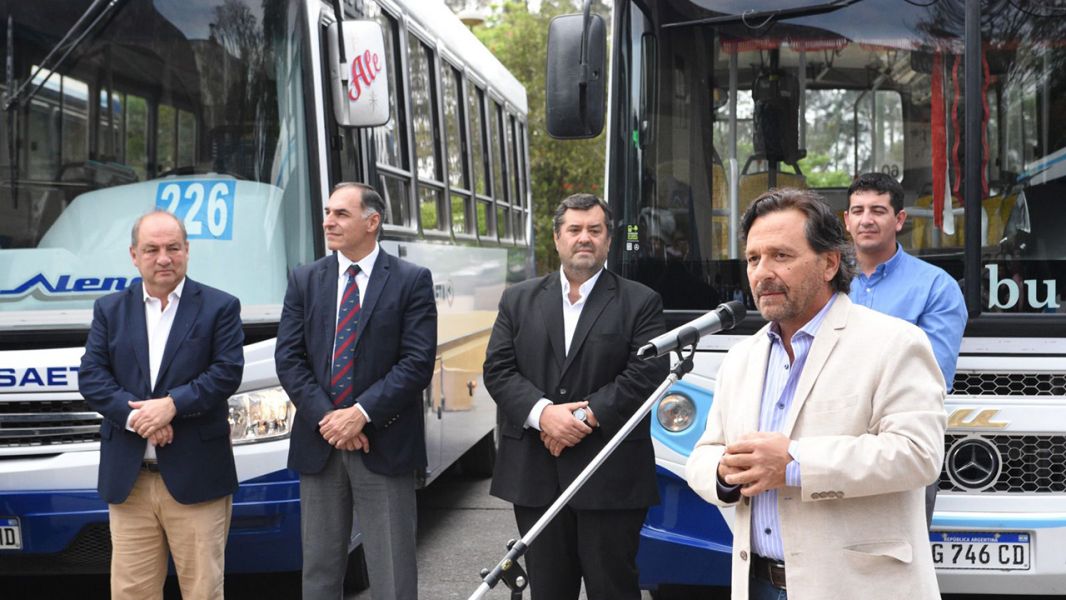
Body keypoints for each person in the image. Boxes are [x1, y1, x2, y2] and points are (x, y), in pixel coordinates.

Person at [685, 188, 945, 600]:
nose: (762, 272)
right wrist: (722, 473)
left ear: (828, 263)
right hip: (756, 584)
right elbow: (703, 453)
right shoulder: (742, 357)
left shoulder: (894, 342)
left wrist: (794, 463)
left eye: (781, 256)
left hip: (856, 587)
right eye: (754, 259)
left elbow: (918, 454)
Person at [483, 193, 668, 600]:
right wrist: (543, 414)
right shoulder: (518, 299)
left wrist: (585, 417)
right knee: (548, 592)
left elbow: (648, 372)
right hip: (536, 475)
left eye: (595, 230)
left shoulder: (641, 302)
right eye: (575, 230)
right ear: (557, 238)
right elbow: (497, 370)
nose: (584, 238)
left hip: (611, 476)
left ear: (608, 240)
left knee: (613, 589)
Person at [275, 182, 437, 600]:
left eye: (341, 214)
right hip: (321, 442)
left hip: (384, 443)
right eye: (328, 212)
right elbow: (289, 359)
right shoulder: (305, 280)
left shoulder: (410, 281)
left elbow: (416, 363)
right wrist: (330, 420)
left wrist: (361, 414)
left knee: (392, 574)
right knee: (320, 572)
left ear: (372, 222)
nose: (328, 221)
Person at [79, 210, 244, 600]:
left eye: (173, 248)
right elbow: (92, 377)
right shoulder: (109, 309)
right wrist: (140, 417)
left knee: (203, 591)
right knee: (131, 593)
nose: (164, 258)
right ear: (134, 255)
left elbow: (225, 373)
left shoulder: (220, 307)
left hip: (197, 478)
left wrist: (171, 406)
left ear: (187, 250)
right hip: (130, 481)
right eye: (151, 249)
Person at [845, 171, 967, 526]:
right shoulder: (822, 281)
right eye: (858, 210)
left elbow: (931, 378)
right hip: (828, 443)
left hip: (902, 445)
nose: (867, 219)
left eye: (878, 211)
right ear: (847, 220)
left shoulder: (936, 288)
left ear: (899, 220)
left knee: (901, 564)